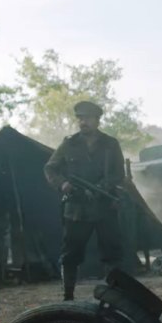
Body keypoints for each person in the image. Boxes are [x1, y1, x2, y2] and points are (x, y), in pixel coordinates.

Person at [44, 101, 125, 301]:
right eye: (80, 118)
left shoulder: (110, 144)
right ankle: (68, 296)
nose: (83, 122)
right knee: (70, 254)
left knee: (112, 252)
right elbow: (50, 168)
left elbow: (118, 174)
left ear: (97, 120)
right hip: (76, 208)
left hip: (104, 206)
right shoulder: (69, 144)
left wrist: (103, 186)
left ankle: (113, 294)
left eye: (87, 118)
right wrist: (62, 184)